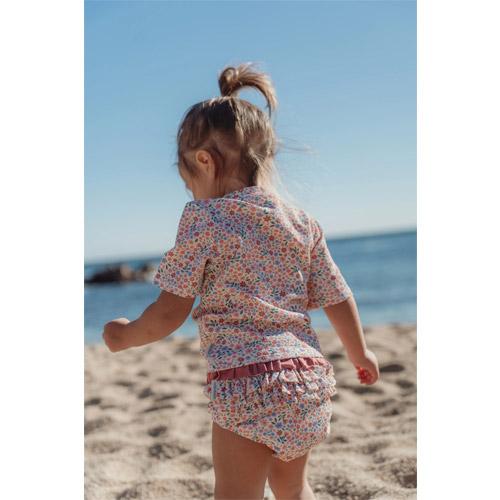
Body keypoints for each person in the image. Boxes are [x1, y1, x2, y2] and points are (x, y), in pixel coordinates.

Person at [102, 62, 380, 500]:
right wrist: (359, 352)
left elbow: (170, 312)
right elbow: (337, 296)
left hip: (247, 382)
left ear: (204, 161)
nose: (191, 192)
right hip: (307, 380)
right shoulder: (301, 222)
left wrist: (126, 335)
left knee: (235, 493)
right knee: (293, 488)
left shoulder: (204, 219)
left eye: (188, 181)